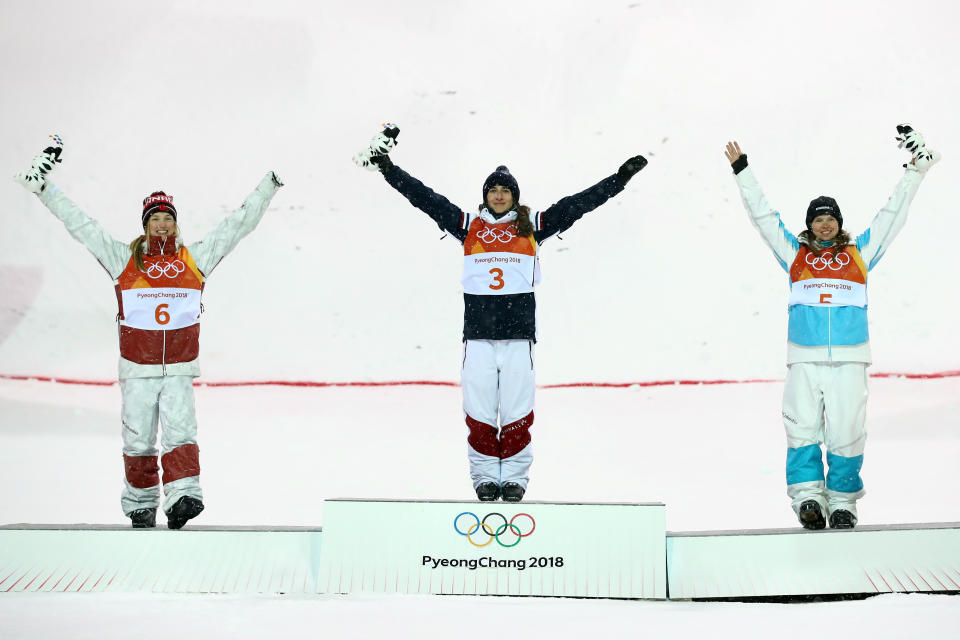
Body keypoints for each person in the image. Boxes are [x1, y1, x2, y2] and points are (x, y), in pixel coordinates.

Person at [355, 124, 647, 502]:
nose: (498, 195)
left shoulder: (534, 227)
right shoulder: (467, 226)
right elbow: (423, 197)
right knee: (477, 410)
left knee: (516, 410)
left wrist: (619, 179)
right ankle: (483, 477)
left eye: (504, 190)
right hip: (477, 336)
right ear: (485, 195)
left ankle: (515, 478)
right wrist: (388, 168)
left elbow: (580, 203)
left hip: (517, 337)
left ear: (514, 196)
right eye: (492, 190)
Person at [14, 136, 284, 529]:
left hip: (178, 369)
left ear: (176, 222)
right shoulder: (124, 258)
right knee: (138, 439)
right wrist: (43, 187)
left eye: (168, 217)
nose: (162, 223)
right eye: (155, 218)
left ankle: (183, 498)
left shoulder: (194, 259)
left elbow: (236, 226)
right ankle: (141, 503)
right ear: (145, 223)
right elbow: (81, 224)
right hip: (137, 370)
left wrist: (267, 188)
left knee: (181, 434)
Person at [724, 125, 939, 529]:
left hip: (849, 359)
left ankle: (842, 503)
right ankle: (808, 499)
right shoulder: (794, 254)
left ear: (839, 223)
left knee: (847, 432)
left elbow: (892, 215)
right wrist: (743, 172)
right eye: (818, 219)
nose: (824, 225)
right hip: (803, 359)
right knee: (801, 429)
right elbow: (763, 218)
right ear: (810, 224)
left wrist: (915, 172)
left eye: (830, 219)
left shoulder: (860, 253)